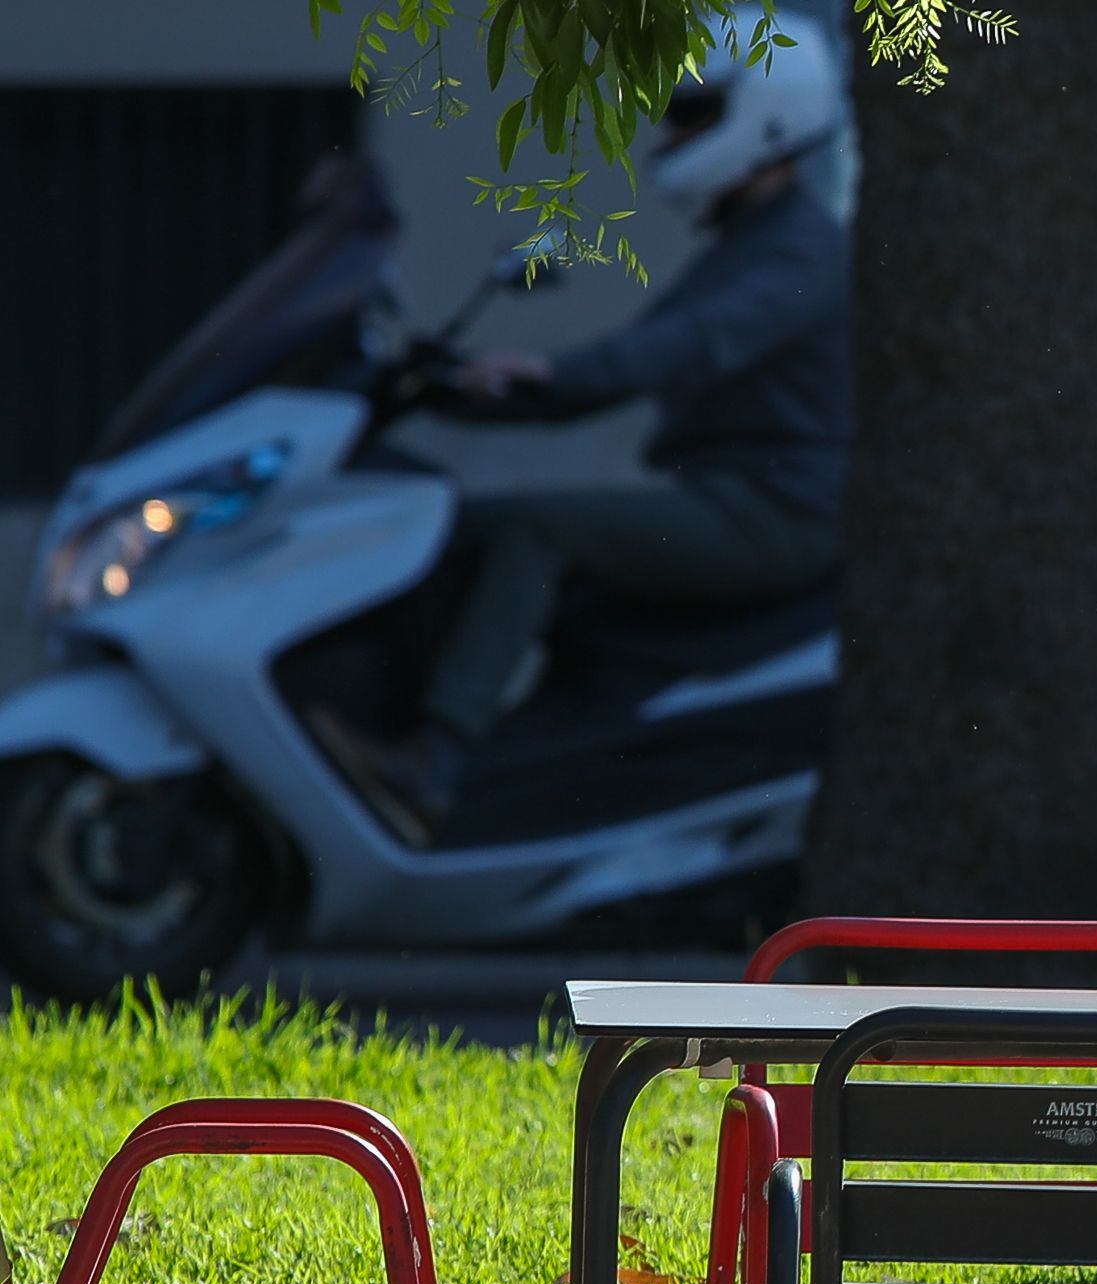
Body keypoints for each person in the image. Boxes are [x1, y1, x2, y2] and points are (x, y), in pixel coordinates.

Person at [320, 21, 851, 843]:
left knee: (538, 529)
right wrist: (446, 387)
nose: (670, 132)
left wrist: (548, 372)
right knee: (456, 525)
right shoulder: (747, 245)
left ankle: (433, 761)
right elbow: (616, 377)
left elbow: (675, 350)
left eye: (692, 112)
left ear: (768, 114)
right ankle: (480, 770)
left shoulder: (801, 253)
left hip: (776, 515)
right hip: (729, 499)